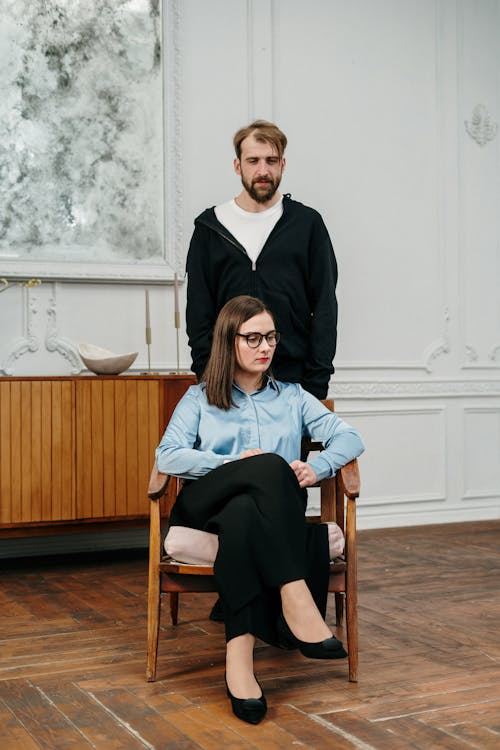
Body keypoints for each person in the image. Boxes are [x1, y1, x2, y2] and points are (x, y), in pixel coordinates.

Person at [156, 295, 364, 725]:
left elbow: (350, 438)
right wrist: (231, 464)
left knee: (246, 514)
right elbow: (168, 457)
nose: (265, 346)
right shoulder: (199, 399)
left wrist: (319, 466)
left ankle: (239, 661)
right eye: (253, 338)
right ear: (228, 342)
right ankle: (295, 595)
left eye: (270, 336)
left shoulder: (293, 397)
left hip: (259, 518)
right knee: (264, 465)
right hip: (204, 506)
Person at [186, 119, 338, 402]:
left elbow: (325, 309)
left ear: (283, 164)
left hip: (294, 384)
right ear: (237, 166)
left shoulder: (307, 225)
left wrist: (316, 387)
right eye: (253, 160)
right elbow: (198, 314)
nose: (263, 170)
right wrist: (209, 378)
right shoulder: (210, 228)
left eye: (271, 160)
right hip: (225, 384)